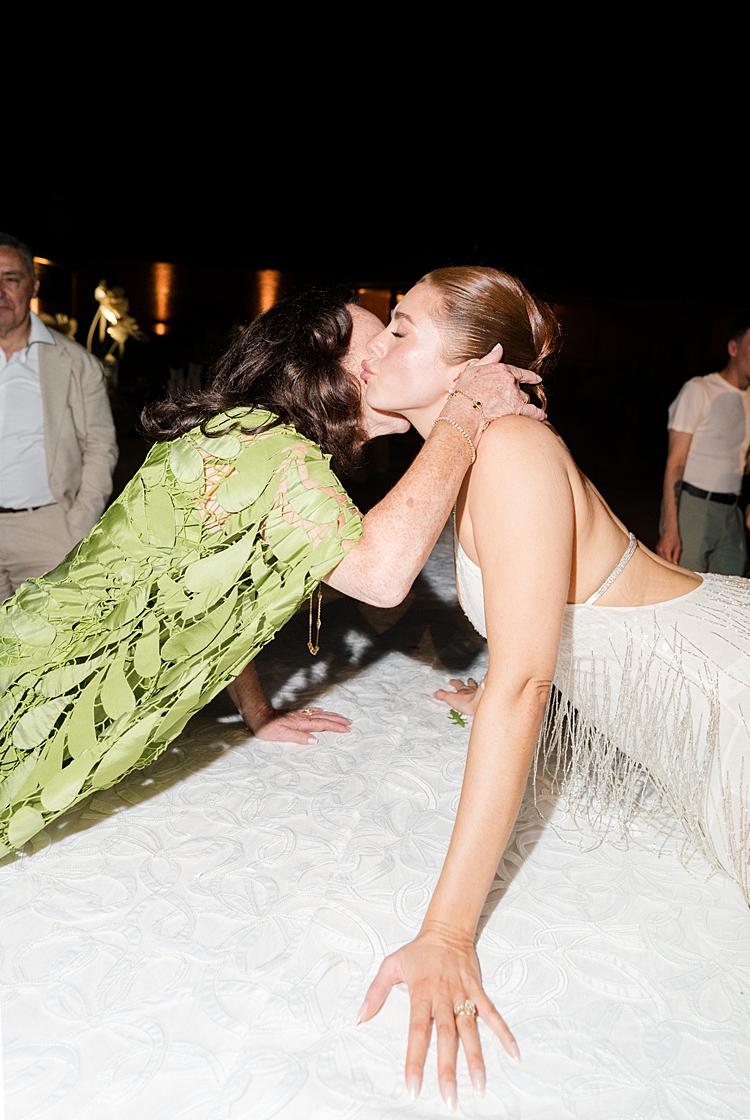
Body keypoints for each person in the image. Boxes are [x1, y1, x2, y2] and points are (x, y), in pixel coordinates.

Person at [353, 266, 750, 1112]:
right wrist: (495, 683)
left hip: (731, 694)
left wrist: (449, 933)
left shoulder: (513, 449)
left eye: (400, 328)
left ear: (474, 363)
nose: (376, 347)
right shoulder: (470, 455)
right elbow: (538, 636)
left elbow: (530, 676)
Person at [0, 285, 545, 856]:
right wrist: (466, 412)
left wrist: (256, 712)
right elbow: (382, 577)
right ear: (319, 373)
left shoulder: (263, 444)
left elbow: (218, 599)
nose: (388, 353)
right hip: (38, 691)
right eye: (376, 344)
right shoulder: (262, 447)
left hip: (69, 702)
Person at [0, 232, 119, 602]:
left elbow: (101, 446)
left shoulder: (75, 363)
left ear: (33, 286)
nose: (0, 291)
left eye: (11, 278)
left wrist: (77, 525)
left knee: (50, 648)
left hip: (48, 532)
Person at [656, 311, 750, 575]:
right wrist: (671, 528)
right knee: (686, 590)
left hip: (732, 512)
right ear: (733, 347)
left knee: (730, 593)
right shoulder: (699, 390)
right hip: (693, 507)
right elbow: (675, 463)